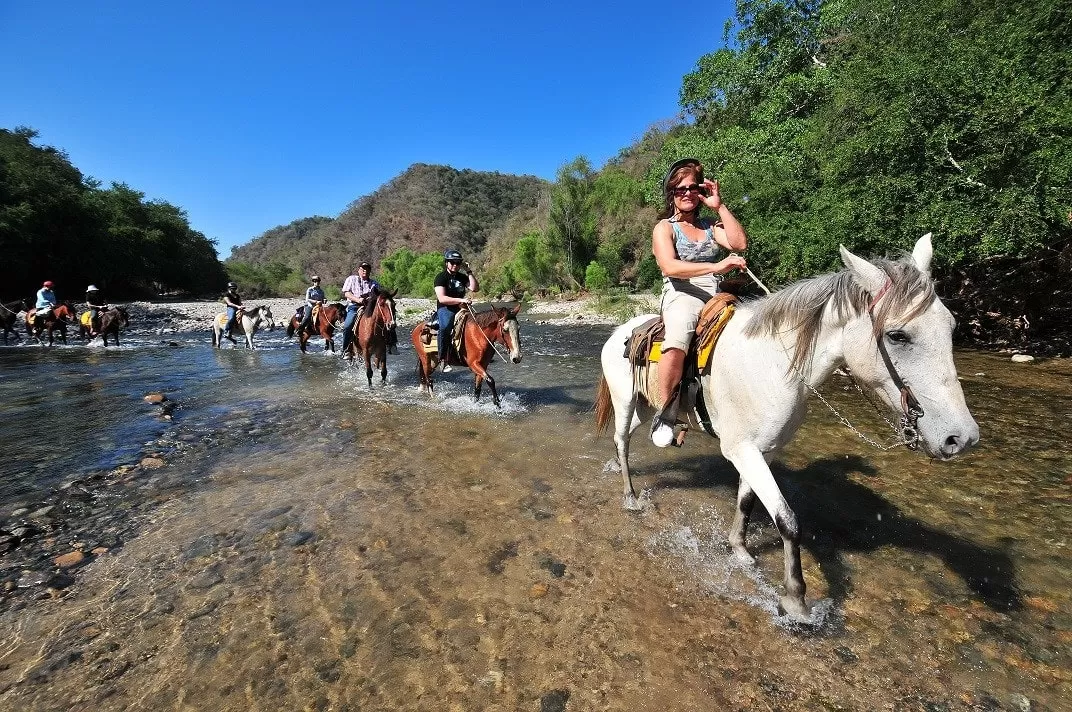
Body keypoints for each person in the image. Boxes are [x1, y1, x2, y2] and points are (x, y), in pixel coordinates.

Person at [650, 157, 748, 447]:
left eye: (693, 188)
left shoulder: (709, 225)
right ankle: (666, 414)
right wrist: (717, 267)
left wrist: (719, 207)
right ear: (671, 193)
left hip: (717, 291)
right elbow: (670, 267)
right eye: (680, 189)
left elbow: (739, 243)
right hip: (682, 291)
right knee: (679, 335)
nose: (688, 193)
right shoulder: (664, 228)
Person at [433, 249, 479, 372]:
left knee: (478, 323)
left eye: (458, 263)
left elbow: (474, 288)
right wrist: (462, 300)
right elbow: (442, 298)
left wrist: (468, 271)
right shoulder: (441, 277)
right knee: (445, 327)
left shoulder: (462, 277)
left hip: (461, 308)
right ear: (446, 263)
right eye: (452, 262)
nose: (455, 265)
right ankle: (443, 359)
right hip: (446, 308)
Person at [341, 261, 379, 352]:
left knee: (386, 320)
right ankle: (346, 349)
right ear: (359, 270)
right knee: (347, 325)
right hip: (354, 306)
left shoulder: (374, 283)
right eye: (363, 269)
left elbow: (377, 295)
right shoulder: (351, 279)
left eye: (367, 269)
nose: (365, 271)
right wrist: (358, 299)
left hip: (369, 307)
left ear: (370, 271)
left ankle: (391, 344)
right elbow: (347, 293)